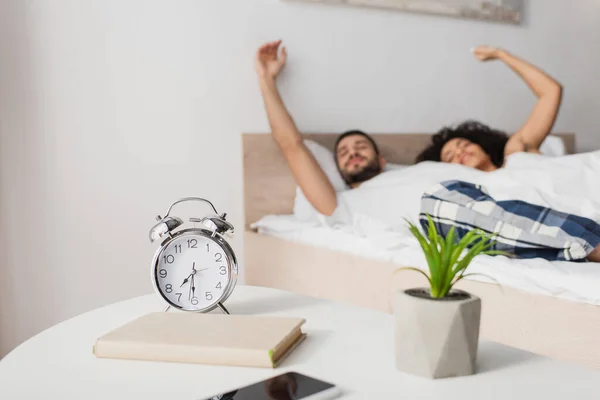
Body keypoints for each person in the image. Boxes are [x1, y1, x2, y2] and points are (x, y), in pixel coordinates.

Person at [255, 40, 385, 217]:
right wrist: (266, 79)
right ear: (339, 172)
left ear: (381, 160)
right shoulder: (341, 206)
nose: (353, 153)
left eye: (361, 147)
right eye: (343, 153)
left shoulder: (407, 176)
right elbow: (292, 146)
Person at [416, 46, 563, 170]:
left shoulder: (515, 153)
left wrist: (501, 54)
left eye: (465, 144)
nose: (460, 151)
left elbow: (550, 91)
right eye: (450, 157)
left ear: (484, 148)